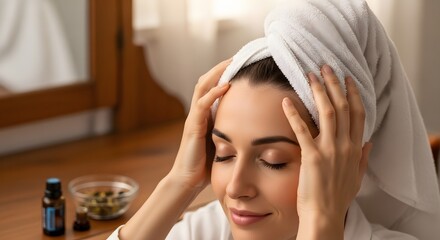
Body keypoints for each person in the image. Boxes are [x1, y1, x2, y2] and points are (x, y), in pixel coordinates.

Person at [108, 0, 440, 239]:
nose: (236, 187)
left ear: (350, 163)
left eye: (273, 161)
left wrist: (321, 221)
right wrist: (179, 182)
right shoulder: (210, 229)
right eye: (223, 153)